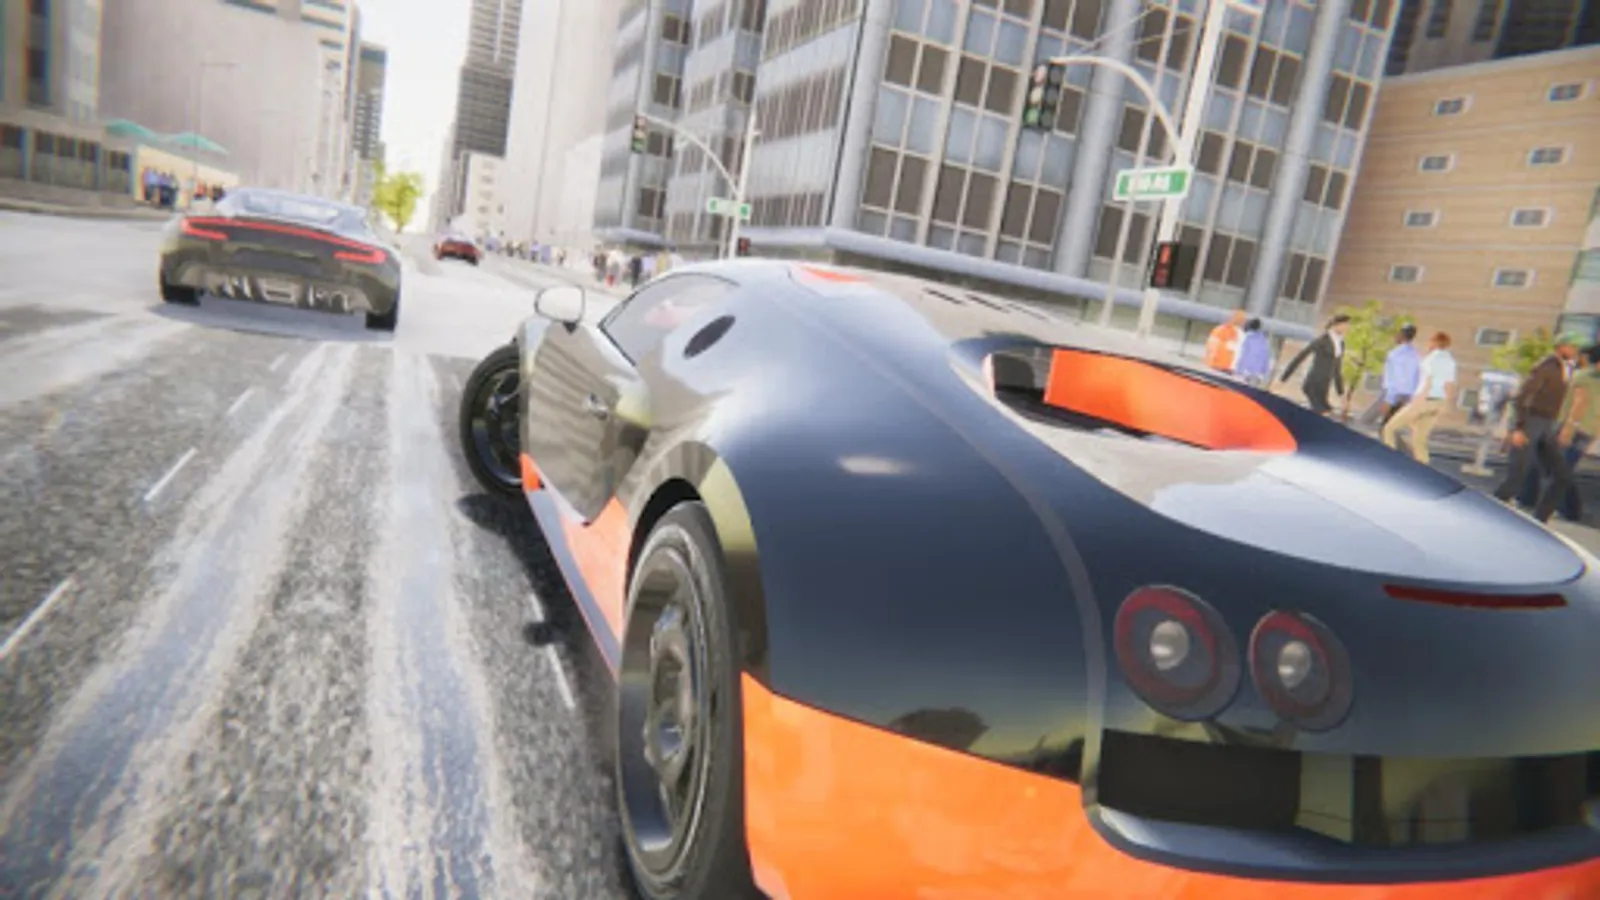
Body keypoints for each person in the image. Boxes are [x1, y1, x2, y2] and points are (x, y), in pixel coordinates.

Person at [1493, 332, 1585, 522]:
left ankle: (1540, 518)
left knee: (1561, 475)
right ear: (1562, 346)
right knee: (1517, 474)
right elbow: (1522, 397)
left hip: (1548, 425)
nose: (1576, 351)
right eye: (1573, 347)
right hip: (1531, 422)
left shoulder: (1567, 368)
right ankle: (1490, 511)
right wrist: (1517, 428)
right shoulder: (1546, 366)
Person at [1519, 343, 1600, 521]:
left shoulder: (1584, 377)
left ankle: (1544, 509)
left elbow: (1579, 404)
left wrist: (1568, 429)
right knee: (1562, 469)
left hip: (1573, 428)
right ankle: (1568, 509)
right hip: (1588, 430)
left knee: (1556, 470)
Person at [1381, 331, 1455, 464]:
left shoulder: (1431, 359)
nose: (1428, 344)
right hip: (1439, 402)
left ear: (1435, 342)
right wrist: (1446, 405)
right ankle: (1423, 466)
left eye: (1430, 341)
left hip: (1424, 399)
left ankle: (1389, 460)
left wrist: (1417, 400)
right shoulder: (1450, 361)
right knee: (1419, 438)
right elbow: (1449, 384)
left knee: (1389, 428)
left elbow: (1428, 381)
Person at [1280, 314, 1350, 417]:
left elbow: (1337, 371)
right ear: (1337, 325)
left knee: (1329, 415)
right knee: (1324, 415)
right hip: (1313, 385)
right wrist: (1283, 379)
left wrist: (1341, 394)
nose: (1347, 328)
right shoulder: (1322, 341)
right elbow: (1300, 357)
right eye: (1345, 324)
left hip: (1324, 388)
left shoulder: (1341, 344)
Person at [1379, 325, 1420, 426]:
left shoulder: (1395, 354)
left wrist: (1388, 399)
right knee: (1392, 426)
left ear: (1402, 335)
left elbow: (1393, 377)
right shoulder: (1416, 355)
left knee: (1384, 426)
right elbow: (1416, 377)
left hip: (1393, 394)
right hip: (1407, 395)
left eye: (1397, 334)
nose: (1395, 336)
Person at [1204, 310, 1247, 374]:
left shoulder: (1241, 334)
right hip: (1218, 366)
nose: (1241, 321)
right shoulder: (1221, 330)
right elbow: (1211, 347)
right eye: (1240, 319)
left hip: (1227, 368)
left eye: (1242, 320)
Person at [1232, 318, 1272, 387]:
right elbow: (1266, 358)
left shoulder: (1247, 338)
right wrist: (1265, 374)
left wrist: (1238, 371)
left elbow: (1243, 355)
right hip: (1257, 375)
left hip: (1245, 373)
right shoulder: (1263, 340)